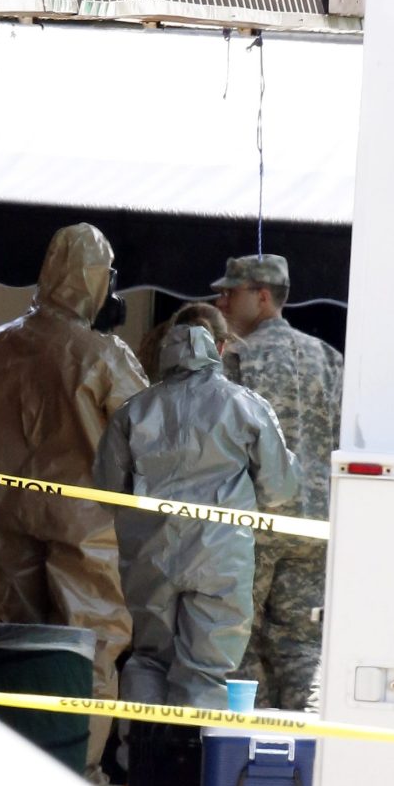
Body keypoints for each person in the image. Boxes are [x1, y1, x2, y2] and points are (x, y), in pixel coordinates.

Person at [0, 222, 148, 772]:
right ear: (96, 281)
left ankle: (22, 762)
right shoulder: (101, 354)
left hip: (10, 512)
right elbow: (147, 429)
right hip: (84, 522)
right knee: (90, 645)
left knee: (23, 641)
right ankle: (80, 770)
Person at [94, 302, 298, 709]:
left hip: (149, 557)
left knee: (148, 660)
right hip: (220, 560)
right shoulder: (248, 406)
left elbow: (106, 489)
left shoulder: (133, 411)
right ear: (219, 347)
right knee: (205, 670)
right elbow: (279, 489)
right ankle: (194, 768)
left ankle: (145, 762)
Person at [211, 253, 343, 710]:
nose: (221, 300)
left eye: (232, 291)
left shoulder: (235, 358)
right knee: (304, 645)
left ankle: (250, 754)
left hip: (252, 525)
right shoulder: (328, 358)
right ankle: (303, 754)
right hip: (315, 525)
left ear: (263, 297)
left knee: (238, 640)